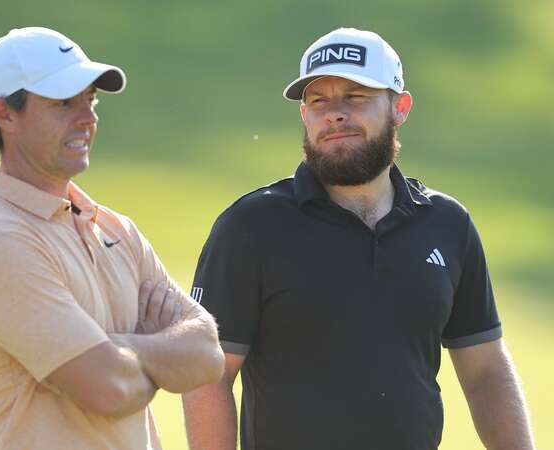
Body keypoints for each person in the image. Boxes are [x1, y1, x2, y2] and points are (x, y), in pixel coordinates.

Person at [182, 28, 536, 450]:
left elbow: (485, 372)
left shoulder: (447, 224)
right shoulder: (251, 226)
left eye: (355, 97)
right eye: (318, 101)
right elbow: (208, 374)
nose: (334, 114)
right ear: (304, 115)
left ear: (399, 107)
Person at [0, 27, 224, 450]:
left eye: (90, 100)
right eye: (63, 103)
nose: (87, 117)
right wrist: (160, 356)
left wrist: (121, 350)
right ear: (4, 114)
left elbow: (207, 354)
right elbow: (109, 390)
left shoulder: (114, 227)